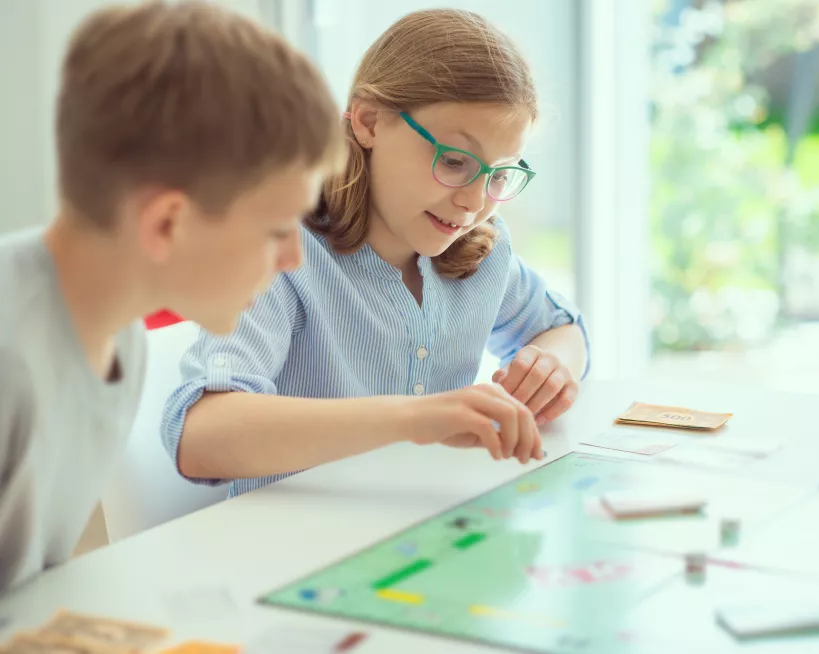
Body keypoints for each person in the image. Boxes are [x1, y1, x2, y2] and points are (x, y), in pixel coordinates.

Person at [162, 9, 590, 498]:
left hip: (425, 525)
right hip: (297, 538)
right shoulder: (284, 253)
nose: (474, 203)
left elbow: (562, 329)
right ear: (368, 122)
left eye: (498, 175)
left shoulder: (480, 251)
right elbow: (199, 437)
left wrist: (549, 366)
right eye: (454, 161)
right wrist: (411, 418)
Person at [0, 0, 345, 593]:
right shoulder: (12, 358)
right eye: (275, 230)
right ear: (166, 224)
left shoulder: (119, 335)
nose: (295, 258)